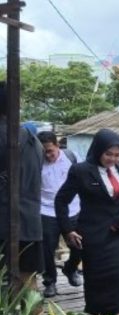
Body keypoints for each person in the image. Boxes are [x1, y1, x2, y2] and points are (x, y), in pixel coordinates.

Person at [55, 129, 119, 315]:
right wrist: (68, 230)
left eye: (117, 155)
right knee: (99, 281)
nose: (112, 159)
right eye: (108, 154)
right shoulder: (81, 171)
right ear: (98, 151)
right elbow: (61, 201)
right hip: (94, 235)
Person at [0, 83, 44, 293]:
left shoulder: (4, 136)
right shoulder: (35, 142)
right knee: (28, 283)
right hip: (30, 224)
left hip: (4, 223)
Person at [39, 130, 82, 297]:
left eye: (50, 150)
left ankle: (71, 268)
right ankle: (50, 282)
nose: (48, 155)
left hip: (72, 209)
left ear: (57, 146)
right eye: (44, 152)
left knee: (79, 245)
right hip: (47, 210)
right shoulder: (38, 163)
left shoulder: (72, 158)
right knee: (47, 250)